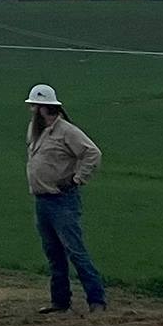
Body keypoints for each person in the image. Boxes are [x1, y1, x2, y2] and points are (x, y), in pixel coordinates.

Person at [25, 83, 106, 314]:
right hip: (42, 200)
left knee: (75, 251)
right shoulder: (35, 130)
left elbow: (92, 153)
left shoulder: (67, 131)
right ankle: (60, 301)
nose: (33, 111)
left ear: (44, 108)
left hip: (62, 200)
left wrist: (78, 179)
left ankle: (96, 300)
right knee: (53, 253)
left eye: (35, 107)